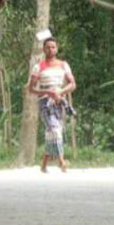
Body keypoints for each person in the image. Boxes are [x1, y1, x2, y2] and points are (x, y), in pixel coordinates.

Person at [28, 37, 76, 173]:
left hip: (59, 102)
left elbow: (72, 84)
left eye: (53, 47)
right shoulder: (38, 67)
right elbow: (31, 89)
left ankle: (43, 164)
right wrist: (48, 92)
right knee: (55, 130)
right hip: (45, 103)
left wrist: (60, 91)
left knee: (52, 133)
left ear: (57, 48)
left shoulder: (63, 65)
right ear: (44, 49)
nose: (50, 49)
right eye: (48, 47)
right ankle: (62, 162)